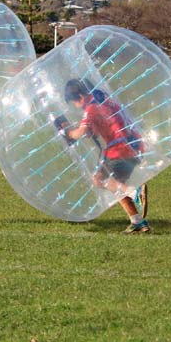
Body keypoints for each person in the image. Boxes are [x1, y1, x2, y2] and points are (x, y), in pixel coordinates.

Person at [56, 79, 149, 234]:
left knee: (100, 180)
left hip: (120, 149)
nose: (76, 107)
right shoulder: (105, 100)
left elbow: (81, 132)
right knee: (117, 185)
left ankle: (135, 192)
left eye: (74, 103)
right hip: (134, 145)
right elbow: (105, 126)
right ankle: (138, 222)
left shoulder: (91, 108)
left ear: (80, 97)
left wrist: (67, 132)